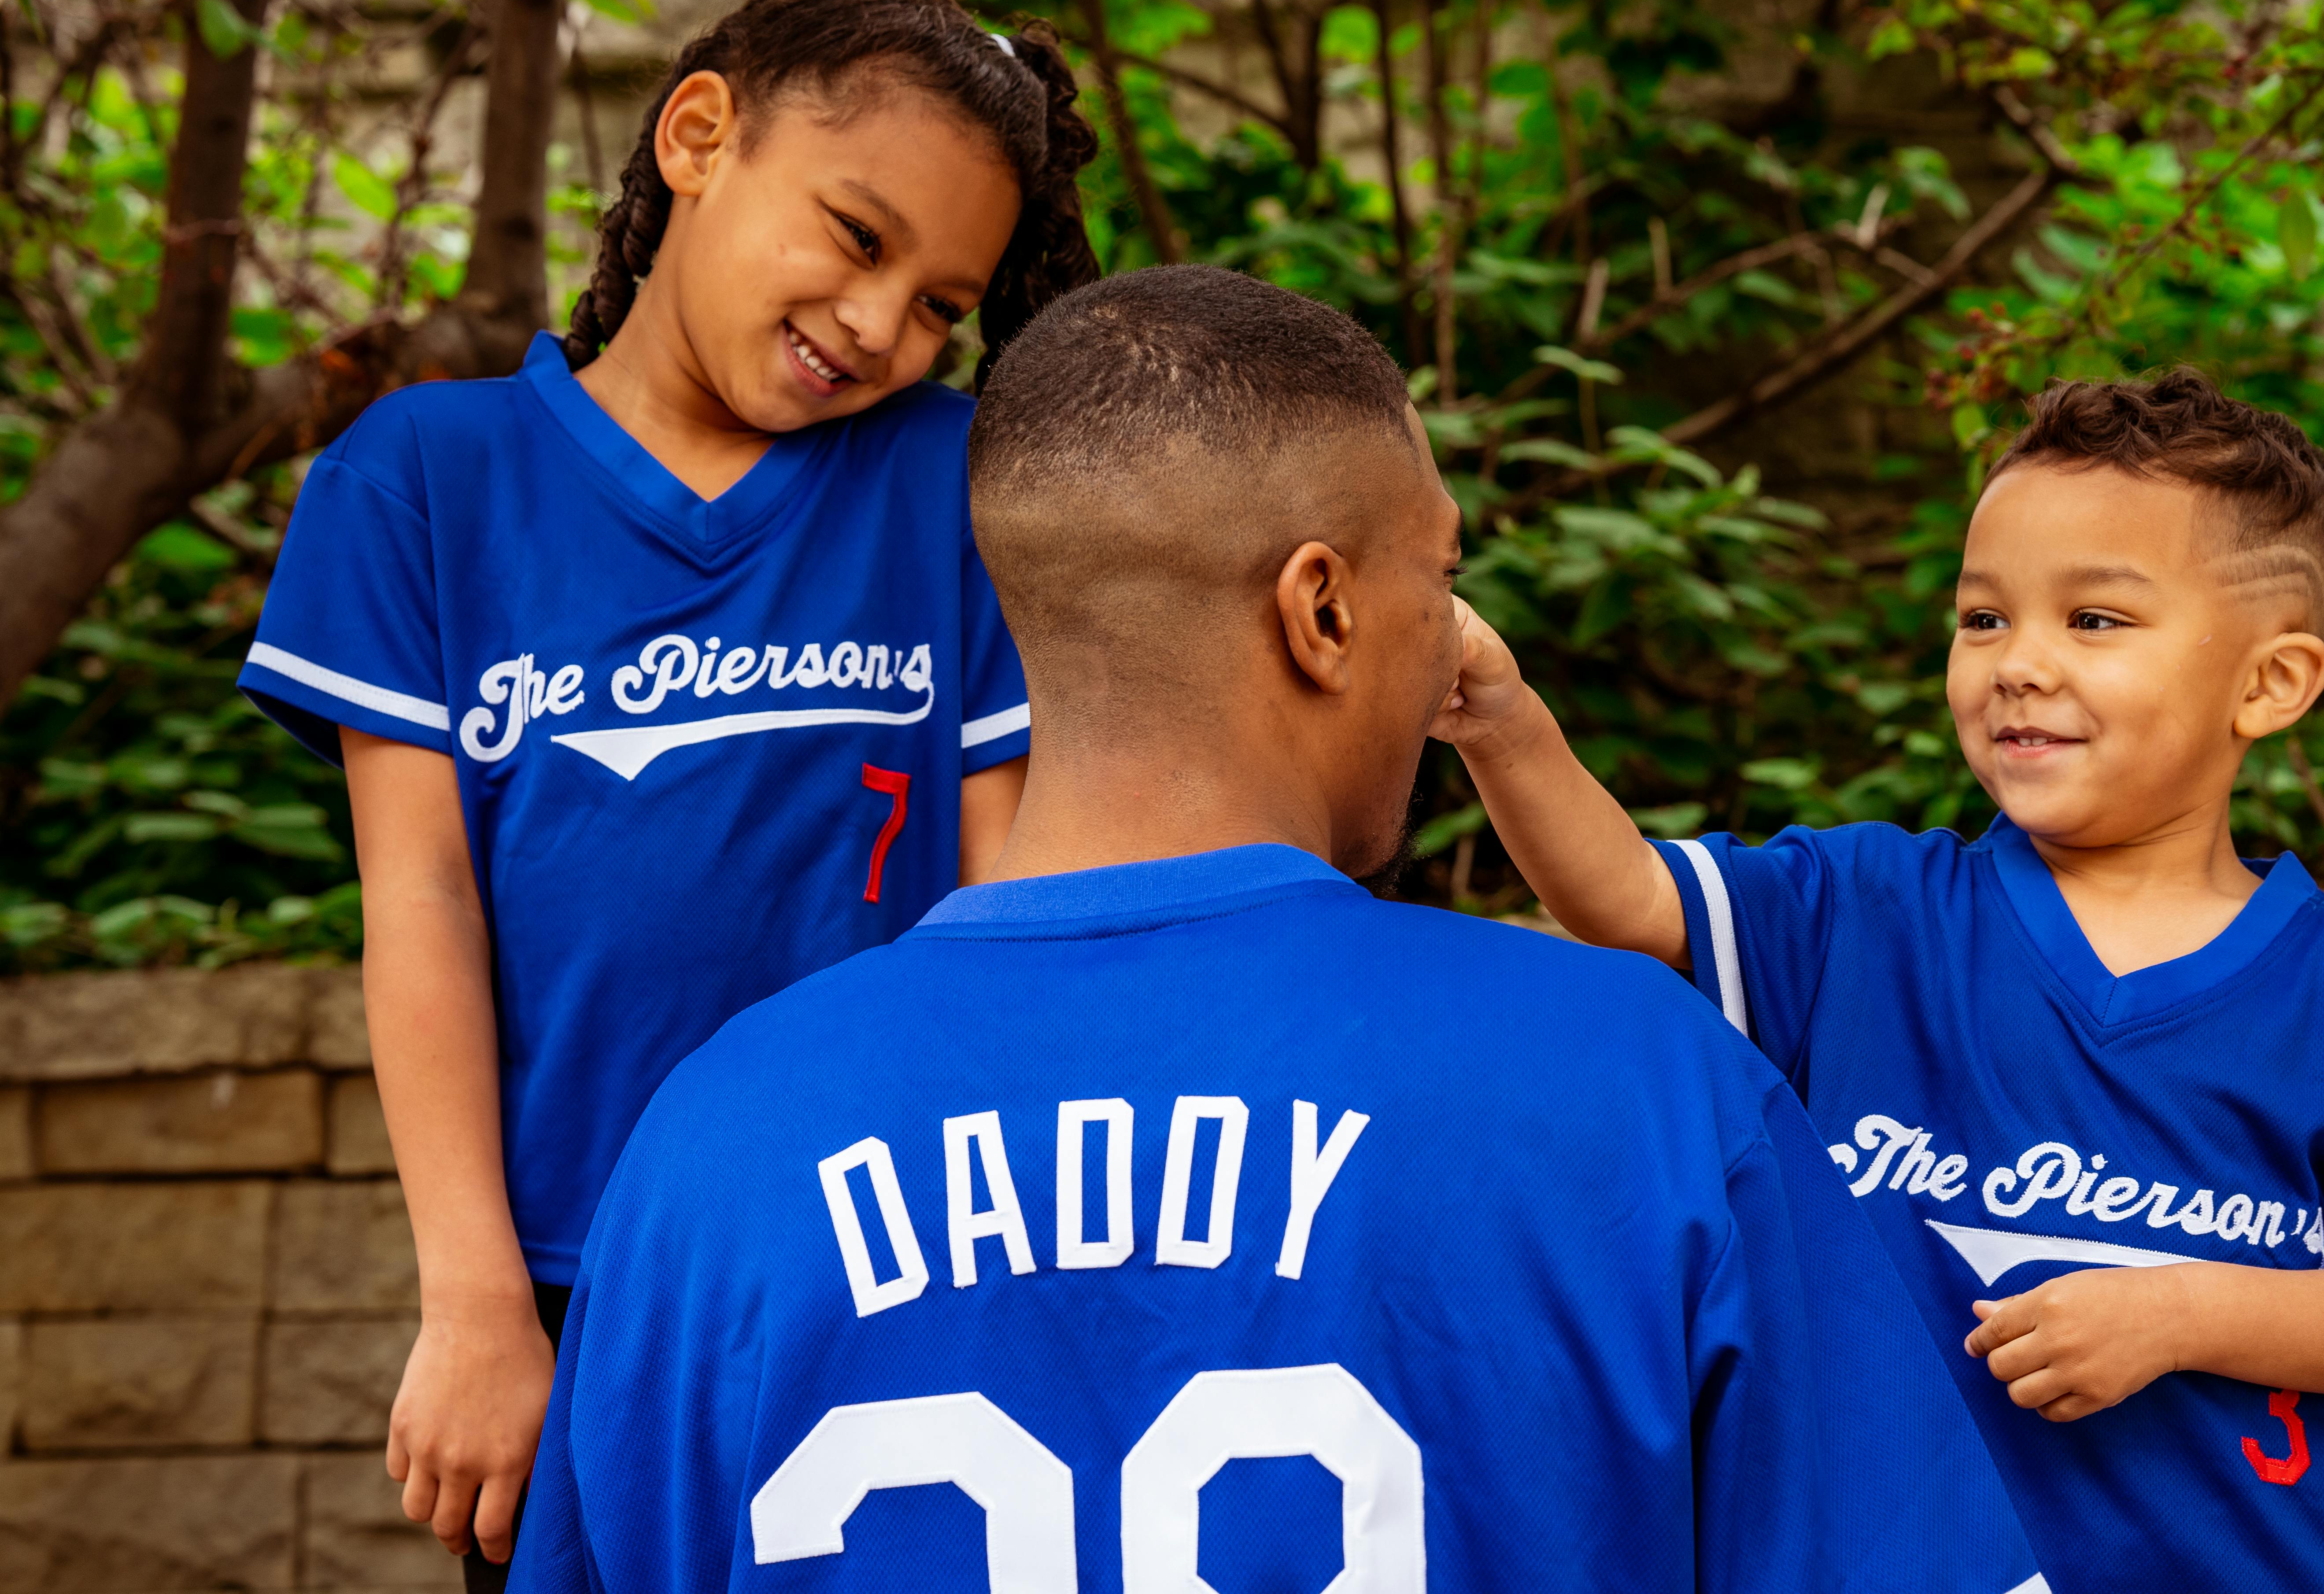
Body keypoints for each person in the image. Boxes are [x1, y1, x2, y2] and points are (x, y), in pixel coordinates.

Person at [505, 265, 2044, 1594]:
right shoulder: (1641, 1085)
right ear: (1321, 612)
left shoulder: (713, 1145)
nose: (1453, 630)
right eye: (1438, 576)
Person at [236, 0, 1100, 1585]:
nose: (880, 324)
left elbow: (1012, 889)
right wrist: (476, 1302)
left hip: (912, 1256)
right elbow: (419, 902)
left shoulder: (951, 484)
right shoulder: (427, 479)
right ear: (700, 134)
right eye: (858, 236)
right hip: (581, 1285)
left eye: (938, 304)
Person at [1440, 368, 2324, 1593]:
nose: (2019, 664)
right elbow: (1629, 900)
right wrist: (1501, 721)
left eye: (2096, 621)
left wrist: (2178, 1314)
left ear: (2268, 683)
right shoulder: (1867, 912)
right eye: (1984, 619)